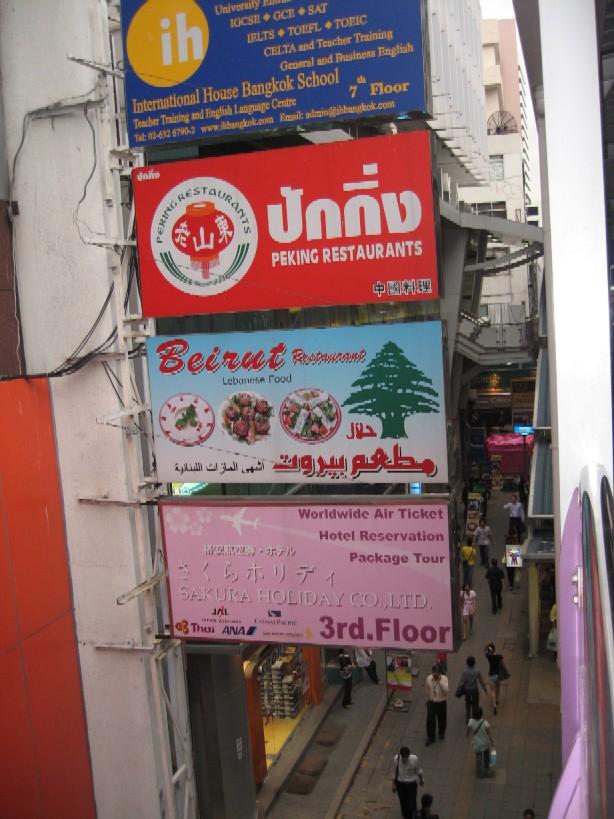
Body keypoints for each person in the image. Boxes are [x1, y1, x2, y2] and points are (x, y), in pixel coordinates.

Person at [389, 745, 424, 819]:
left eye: (406, 757)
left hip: (411, 784)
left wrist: (421, 780)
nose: (404, 759)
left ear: (408, 756)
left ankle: (414, 815)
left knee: (412, 801)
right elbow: (394, 772)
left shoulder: (414, 759)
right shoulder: (396, 759)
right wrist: (393, 784)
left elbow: (418, 771)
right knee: (403, 801)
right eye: (403, 757)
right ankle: (406, 815)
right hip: (400, 785)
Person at [457, 655, 488, 723]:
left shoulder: (465, 672)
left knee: (468, 704)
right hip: (474, 690)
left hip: (467, 691)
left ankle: (467, 718)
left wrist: (459, 689)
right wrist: (485, 689)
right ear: (474, 663)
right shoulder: (477, 671)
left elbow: (461, 682)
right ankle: (475, 717)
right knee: (475, 704)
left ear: (467, 663)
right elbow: (481, 681)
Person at [467, 706, 495, 778]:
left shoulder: (471, 721)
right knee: (486, 755)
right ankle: (486, 769)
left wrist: (467, 734)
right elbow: (489, 733)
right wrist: (492, 740)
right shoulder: (485, 723)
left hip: (477, 743)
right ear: (481, 714)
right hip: (485, 742)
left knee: (478, 757)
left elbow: (468, 730)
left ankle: (479, 772)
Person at [425, 664, 448, 745]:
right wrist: (429, 698)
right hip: (432, 702)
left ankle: (441, 733)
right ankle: (431, 737)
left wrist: (439, 681)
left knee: (442, 719)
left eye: (436, 672)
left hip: (441, 702)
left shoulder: (444, 679)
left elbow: (446, 691)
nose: (435, 674)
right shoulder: (428, 679)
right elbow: (427, 689)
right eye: (433, 672)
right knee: (430, 721)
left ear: (440, 673)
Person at [484, 642, 504, 714]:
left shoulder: (489, 657)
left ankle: (494, 705)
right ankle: (497, 699)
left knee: (492, 691)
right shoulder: (499, 656)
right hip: (498, 675)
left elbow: (485, 651)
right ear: (494, 649)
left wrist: (487, 647)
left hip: (491, 675)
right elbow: (502, 663)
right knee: (498, 687)